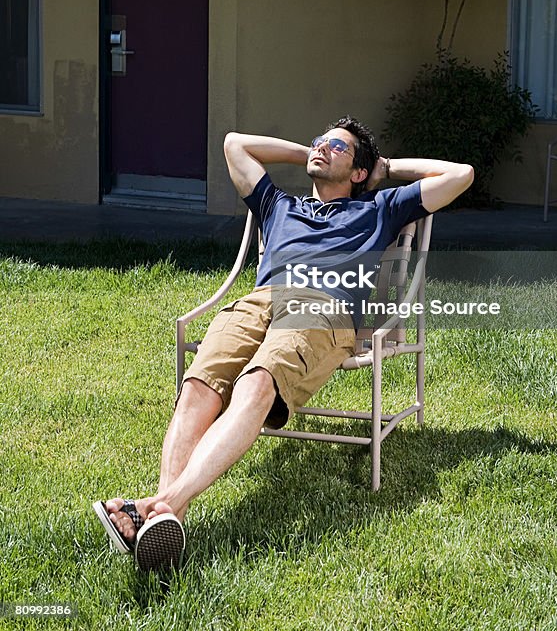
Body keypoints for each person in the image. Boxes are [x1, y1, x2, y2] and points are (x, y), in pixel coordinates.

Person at [94, 116, 473, 570]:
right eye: (318, 141)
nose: (321, 147)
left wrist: (383, 168)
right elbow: (235, 144)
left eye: (337, 146)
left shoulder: (378, 209)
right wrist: (309, 153)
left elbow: (460, 175)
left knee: (257, 385)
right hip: (261, 300)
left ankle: (160, 504)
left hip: (323, 306)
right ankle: (164, 517)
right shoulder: (278, 205)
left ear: (358, 173)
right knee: (200, 383)